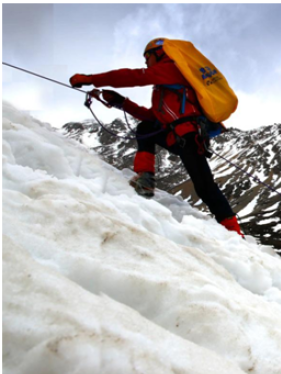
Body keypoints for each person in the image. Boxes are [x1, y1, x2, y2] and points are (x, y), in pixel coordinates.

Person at [69, 38, 242, 236]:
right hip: (177, 135)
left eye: (147, 57)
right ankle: (145, 178)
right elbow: (153, 117)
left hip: (188, 135)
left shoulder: (173, 69)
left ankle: (234, 231)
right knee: (145, 128)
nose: (146, 62)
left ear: (160, 53)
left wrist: (91, 78)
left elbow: (135, 77)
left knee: (204, 186)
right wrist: (120, 102)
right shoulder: (165, 86)